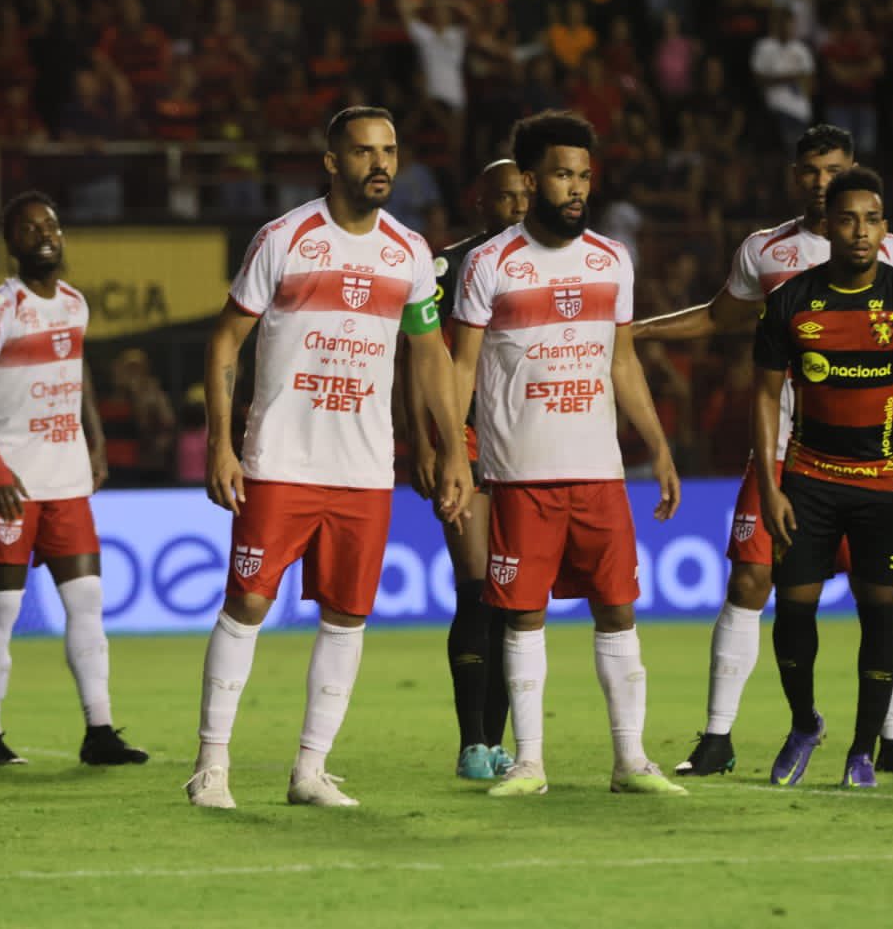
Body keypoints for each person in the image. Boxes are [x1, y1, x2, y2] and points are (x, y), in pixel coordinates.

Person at [186, 107, 473, 810]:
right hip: (281, 458)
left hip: (365, 466)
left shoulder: (407, 250)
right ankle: (211, 767)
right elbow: (226, 340)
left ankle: (310, 770)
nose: (381, 164)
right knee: (247, 602)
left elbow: (429, 357)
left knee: (348, 617)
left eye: (390, 151)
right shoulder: (284, 238)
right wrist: (222, 441)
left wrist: (452, 447)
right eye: (365, 152)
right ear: (332, 161)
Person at [635, 126, 893, 777]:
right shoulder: (766, 251)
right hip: (785, 447)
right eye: (810, 171)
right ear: (795, 176)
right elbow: (721, 318)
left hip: (877, 446)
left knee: (879, 589)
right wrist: (632, 332)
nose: (822, 181)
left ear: (853, 170)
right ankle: (717, 737)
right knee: (750, 579)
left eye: (834, 169)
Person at [450, 110, 686, 798]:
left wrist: (659, 447)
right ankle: (528, 761)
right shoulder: (489, 265)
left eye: (583, 174)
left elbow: (624, 363)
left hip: (600, 472)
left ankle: (631, 760)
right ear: (530, 179)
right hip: (521, 474)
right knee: (523, 615)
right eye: (561, 174)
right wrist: (454, 459)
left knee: (618, 608)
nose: (576, 187)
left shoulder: (612, 259)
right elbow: (461, 367)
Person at [752, 167, 893, 789]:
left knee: (881, 615)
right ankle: (803, 723)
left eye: (871, 220)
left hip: (883, 485)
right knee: (792, 613)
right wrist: (769, 484)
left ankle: (863, 750)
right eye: (846, 219)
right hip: (808, 481)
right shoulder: (790, 302)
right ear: (826, 227)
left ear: (885, 228)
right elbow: (765, 397)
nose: (859, 231)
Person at [0, 191, 147, 769]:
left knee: (87, 598)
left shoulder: (73, 303)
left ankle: (100, 730)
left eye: (52, 225)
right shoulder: (2, 306)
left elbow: (78, 371)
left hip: (65, 476)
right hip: (11, 481)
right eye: (30, 227)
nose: (45, 233)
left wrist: (94, 436)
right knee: (3, 608)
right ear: (12, 243)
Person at [406, 159, 528, 781]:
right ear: (481, 204)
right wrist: (426, 445)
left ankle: (498, 742)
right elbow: (420, 359)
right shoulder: (447, 268)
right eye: (503, 198)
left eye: (522, 197)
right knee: (478, 587)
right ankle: (471, 740)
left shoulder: (548, 263)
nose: (515, 209)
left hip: (530, 444)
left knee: (513, 598)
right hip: (468, 439)